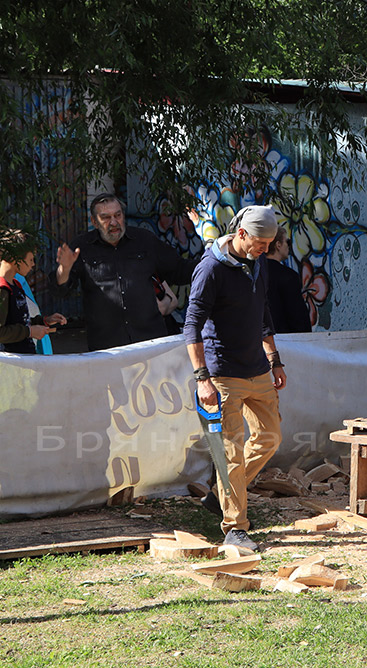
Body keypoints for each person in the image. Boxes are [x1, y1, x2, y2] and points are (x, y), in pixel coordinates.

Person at [184, 205, 287, 552]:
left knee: (270, 438)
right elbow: (191, 326)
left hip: (257, 368)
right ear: (241, 234)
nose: (265, 250)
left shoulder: (258, 263)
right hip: (221, 373)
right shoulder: (211, 268)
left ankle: (219, 494)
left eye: (269, 244)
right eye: (260, 243)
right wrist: (202, 378)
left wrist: (274, 359)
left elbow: (262, 310)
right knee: (230, 453)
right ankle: (235, 528)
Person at [56, 193, 195, 351]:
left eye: (117, 215)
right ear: (94, 222)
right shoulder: (82, 247)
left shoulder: (144, 240)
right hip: (108, 348)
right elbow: (61, 290)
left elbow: (179, 269)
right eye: (106, 217)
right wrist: (64, 269)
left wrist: (215, 261)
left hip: (150, 342)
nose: (114, 222)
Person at [1, 234, 66, 354]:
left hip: (25, 360)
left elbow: (19, 321)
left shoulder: (16, 285)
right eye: (31, 259)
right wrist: (30, 332)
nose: (33, 264)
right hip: (11, 364)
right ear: (17, 259)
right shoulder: (2, 289)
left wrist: (45, 321)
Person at [264, 226, 312, 334]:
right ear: (278, 245)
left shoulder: (255, 273)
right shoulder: (288, 276)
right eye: (287, 242)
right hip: (284, 341)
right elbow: (298, 316)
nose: (289, 246)